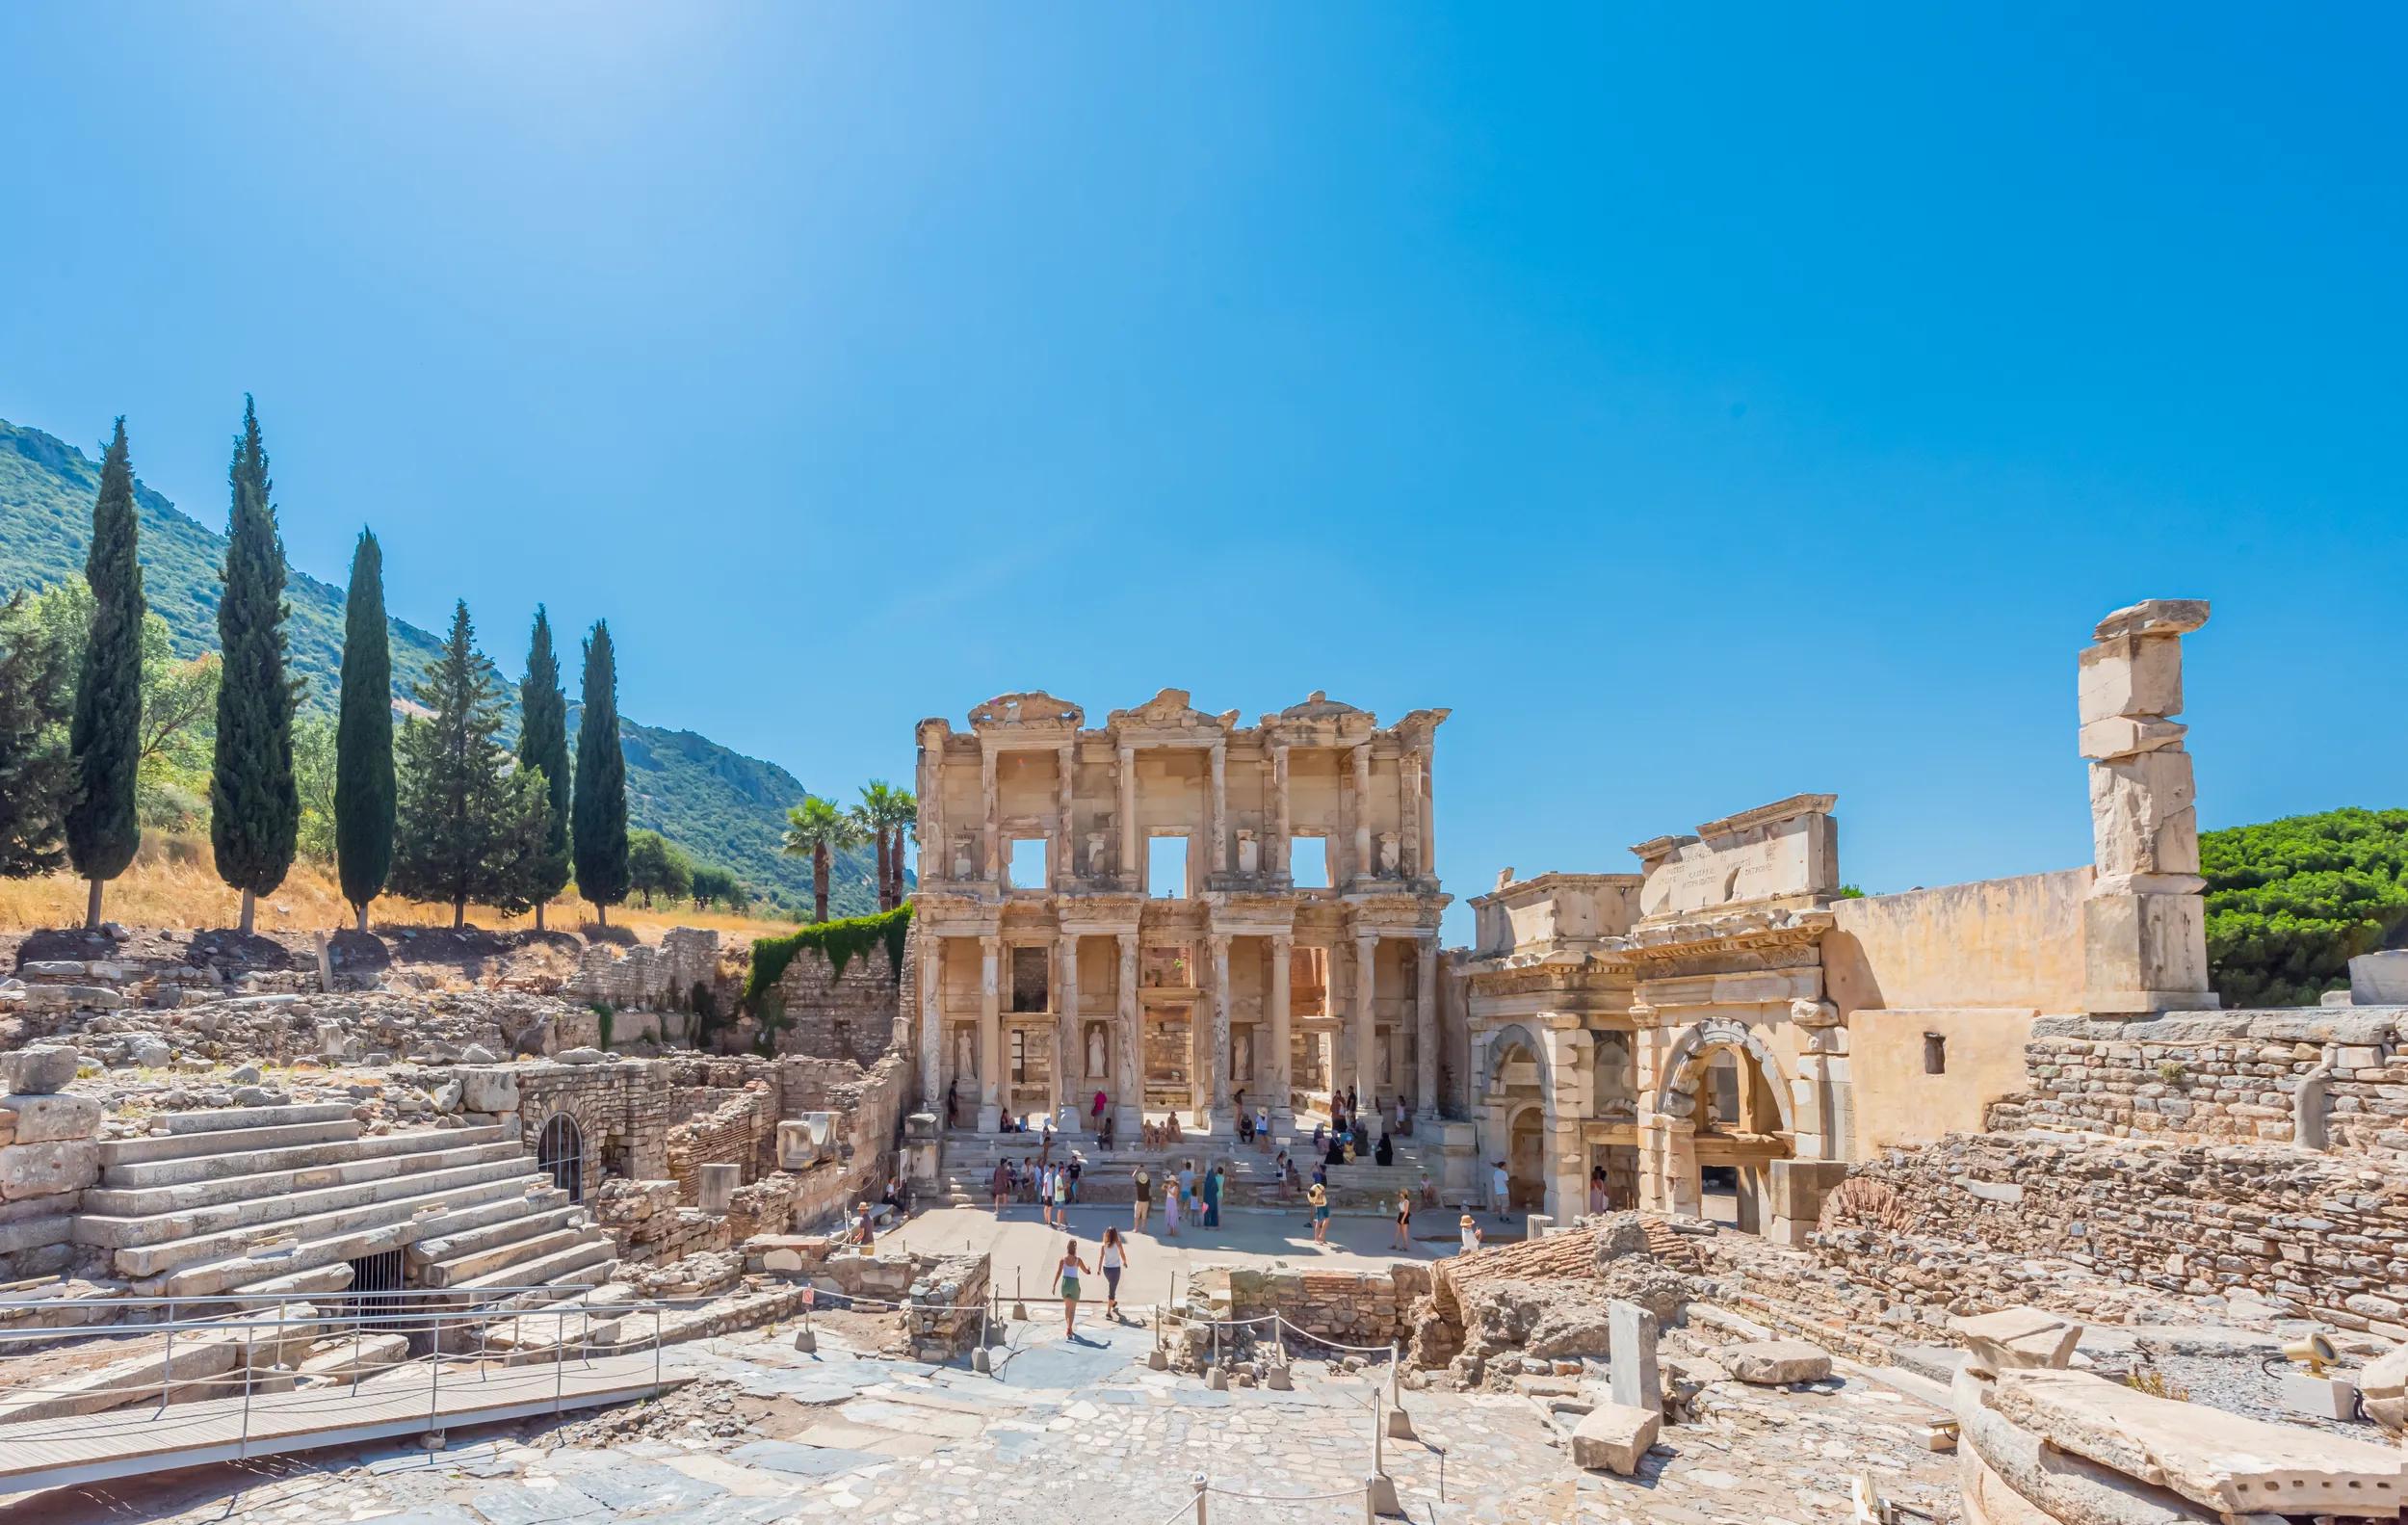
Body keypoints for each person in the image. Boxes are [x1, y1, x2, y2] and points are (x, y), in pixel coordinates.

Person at [1053, 1238, 1091, 1338]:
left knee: (1067, 1307)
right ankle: (1070, 1328)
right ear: (1075, 1249)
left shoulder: (1063, 1259)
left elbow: (1058, 1272)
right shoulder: (1078, 1260)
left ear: (1067, 1248)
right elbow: (1086, 1271)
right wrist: (1089, 1270)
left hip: (1065, 1283)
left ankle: (1068, 1327)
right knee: (1073, 1309)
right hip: (1074, 1283)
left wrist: (1054, 1285)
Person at [1098, 1225, 1130, 1319]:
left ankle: (1113, 1302)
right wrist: (1125, 1262)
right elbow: (1122, 1253)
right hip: (1115, 1270)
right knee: (1112, 1290)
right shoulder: (1118, 1243)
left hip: (1106, 1269)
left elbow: (1101, 1257)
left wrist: (1099, 1269)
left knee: (1112, 1286)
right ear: (1116, 1235)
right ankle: (1108, 1312)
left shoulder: (1104, 1245)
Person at [1307, 1180, 1330, 1245]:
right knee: (1319, 1221)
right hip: (1319, 1207)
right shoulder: (1309, 1196)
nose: (1315, 1198)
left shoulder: (1318, 1186)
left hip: (1325, 1204)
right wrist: (1312, 1217)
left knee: (1327, 1220)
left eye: (1315, 1196)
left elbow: (1324, 1190)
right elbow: (1312, 1206)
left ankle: (1322, 1236)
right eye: (1314, 1197)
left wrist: (1322, 1194)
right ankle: (1316, 1239)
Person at [1393, 1187, 1414, 1251]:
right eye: (1400, 1193)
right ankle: (1395, 1245)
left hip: (1404, 1216)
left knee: (1404, 1233)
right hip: (1400, 1215)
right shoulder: (1401, 1201)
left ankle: (1406, 1247)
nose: (1400, 1194)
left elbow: (1406, 1211)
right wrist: (1398, 1217)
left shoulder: (1406, 1201)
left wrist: (1403, 1219)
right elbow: (1400, 1210)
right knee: (1397, 1231)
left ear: (1404, 1193)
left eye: (1401, 1193)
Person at [1162, 1172, 1183, 1237]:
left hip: (1173, 1202)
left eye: (1171, 1181)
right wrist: (1165, 1186)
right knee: (1169, 1215)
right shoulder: (1169, 1186)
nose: (1170, 1182)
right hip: (1168, 1201)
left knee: (1173, 1216)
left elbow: (1175, 1196)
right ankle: (1171, 1231)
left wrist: (1169, 1190)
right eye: (1169, 1181)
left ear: (1173, 1181)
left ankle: (1173, 1232)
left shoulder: (1176, 1187)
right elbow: (1162, 1188)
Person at [1133, 1164, 1152, 1231]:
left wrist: (1138, 1169)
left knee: (1136, 1216)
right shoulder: (1147, 1183)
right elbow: (1149, 1176)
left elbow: (1133, 1176)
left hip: (1139, 1201)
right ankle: (1143, 1229)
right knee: (1144, 1216)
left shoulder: (1138, 1183)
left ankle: (1135, 1229)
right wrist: (1145, 1169)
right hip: (1146, 1201)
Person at [1202, 1165, 1222, 1229]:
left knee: (1206, 1212)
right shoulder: (1214, 1182)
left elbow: (1204, 1190)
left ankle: (1206, 1225)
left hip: (1206, 1199)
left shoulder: (1206, 1182)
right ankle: (1214, 1224)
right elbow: (1217, 1190)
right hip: (1213, 1199)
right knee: (1214, 1212)